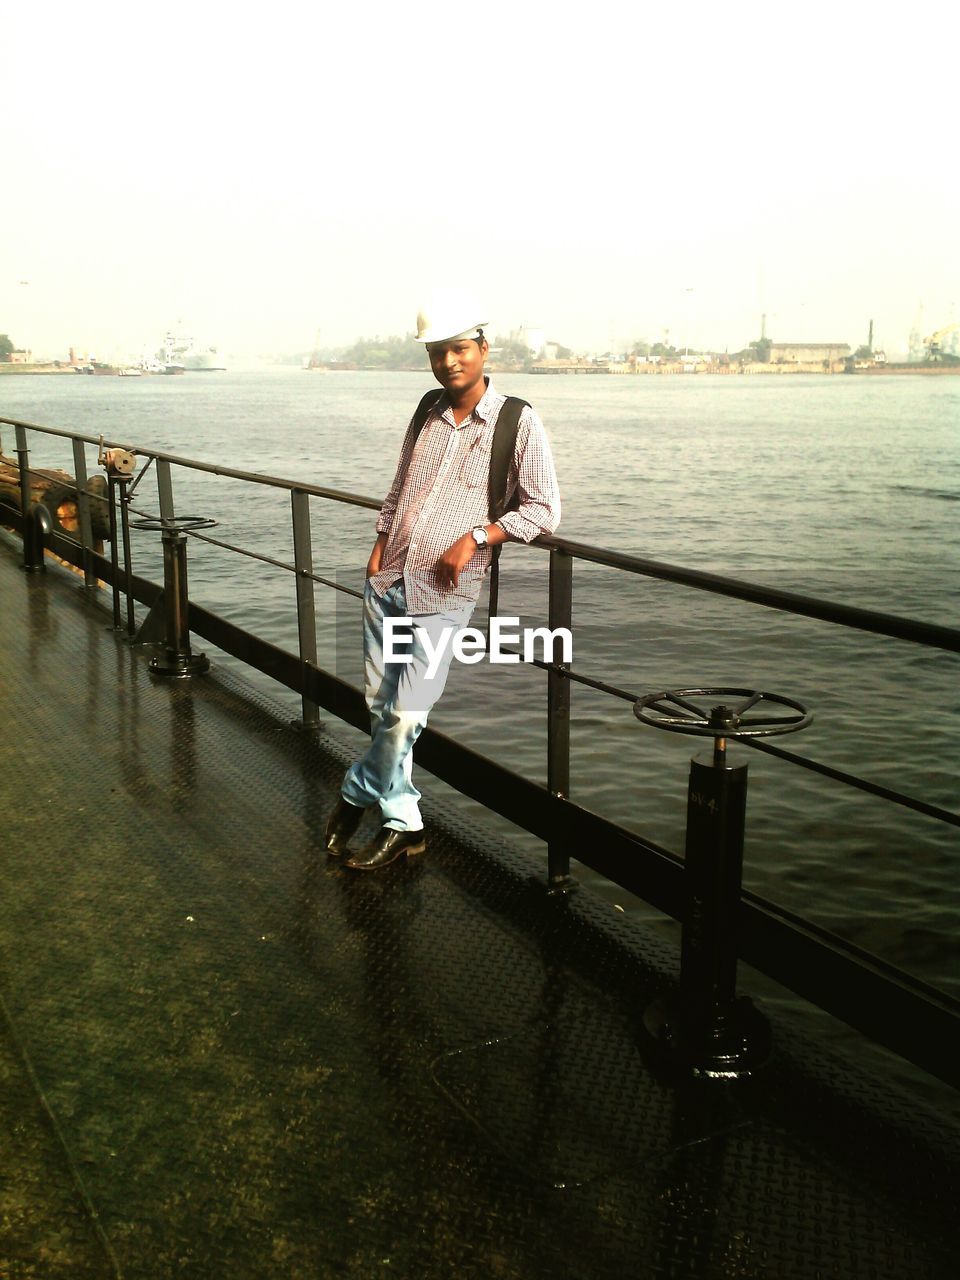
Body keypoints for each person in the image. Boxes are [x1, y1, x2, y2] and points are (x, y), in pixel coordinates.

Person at [324, 297, 561, 872]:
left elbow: (544, 510)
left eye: (459, 349)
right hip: (389, 582)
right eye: (437, 352)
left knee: (408, 714)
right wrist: (381, 541)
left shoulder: (515, 420)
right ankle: (405, 822)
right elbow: (402, 483)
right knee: (382, 709)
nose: (449, 362)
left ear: (483, 349)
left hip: (443, 596)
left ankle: (356, 793)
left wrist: (477, 537)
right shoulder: (427, 410)